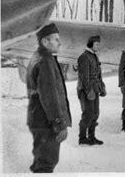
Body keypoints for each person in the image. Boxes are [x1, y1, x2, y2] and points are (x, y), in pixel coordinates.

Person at [26, 23, 71, 173]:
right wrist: (59, 123)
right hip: (47, 123)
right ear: (45, 42)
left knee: (41, 160)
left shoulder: (37, 57)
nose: (60, 43)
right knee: (46, 164)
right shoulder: (45, 61)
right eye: (56, 39)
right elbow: (49, 96)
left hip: (39, 119)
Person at [77, 35, 106, 145]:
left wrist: (102, 87)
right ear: (91, 44)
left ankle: (92, 137)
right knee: (88, 114)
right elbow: (84, 76)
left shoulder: (94, 56)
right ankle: (82, 138)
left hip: (95, 88)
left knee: (95, 114)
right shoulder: (84, 57)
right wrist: (88, 91)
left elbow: (98, 74)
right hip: (86, 90)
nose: (99, 46)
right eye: (97, 44)